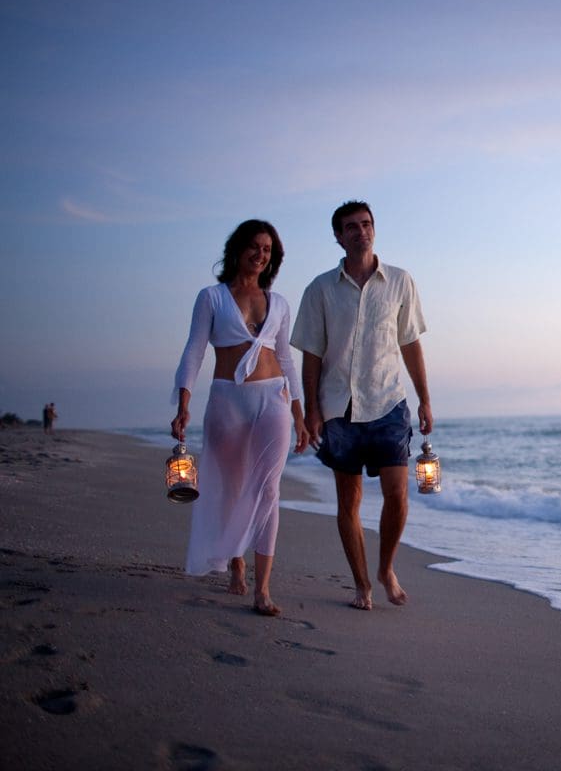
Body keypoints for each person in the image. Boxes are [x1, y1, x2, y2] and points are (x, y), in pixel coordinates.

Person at [291, 200, 432, 611]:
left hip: (389, 401)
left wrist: (424, 399)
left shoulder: (401, 281)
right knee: (348, 502)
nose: (360, 231)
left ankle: (385, 568)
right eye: (351, 227)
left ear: (375, 229)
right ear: (338, 236)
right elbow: (312, 354)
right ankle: (361, 585)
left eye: (366, 224)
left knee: (398, 495)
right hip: (339, 407)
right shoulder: (319, 289)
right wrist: (314, 410)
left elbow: (410, 343)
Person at [171, 219, 310, 617]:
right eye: (253, 246)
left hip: (273, 399)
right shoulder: (212, 298)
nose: (260, 255)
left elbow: (287, 359)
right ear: (236, 250)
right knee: (232, 489)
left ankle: (262, 589)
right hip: (227, 402)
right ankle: (236, 562)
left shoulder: (279, 303)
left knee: (268, 490)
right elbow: (194, 352)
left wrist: (299, 413)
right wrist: (184, 404)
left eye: (267, 250)